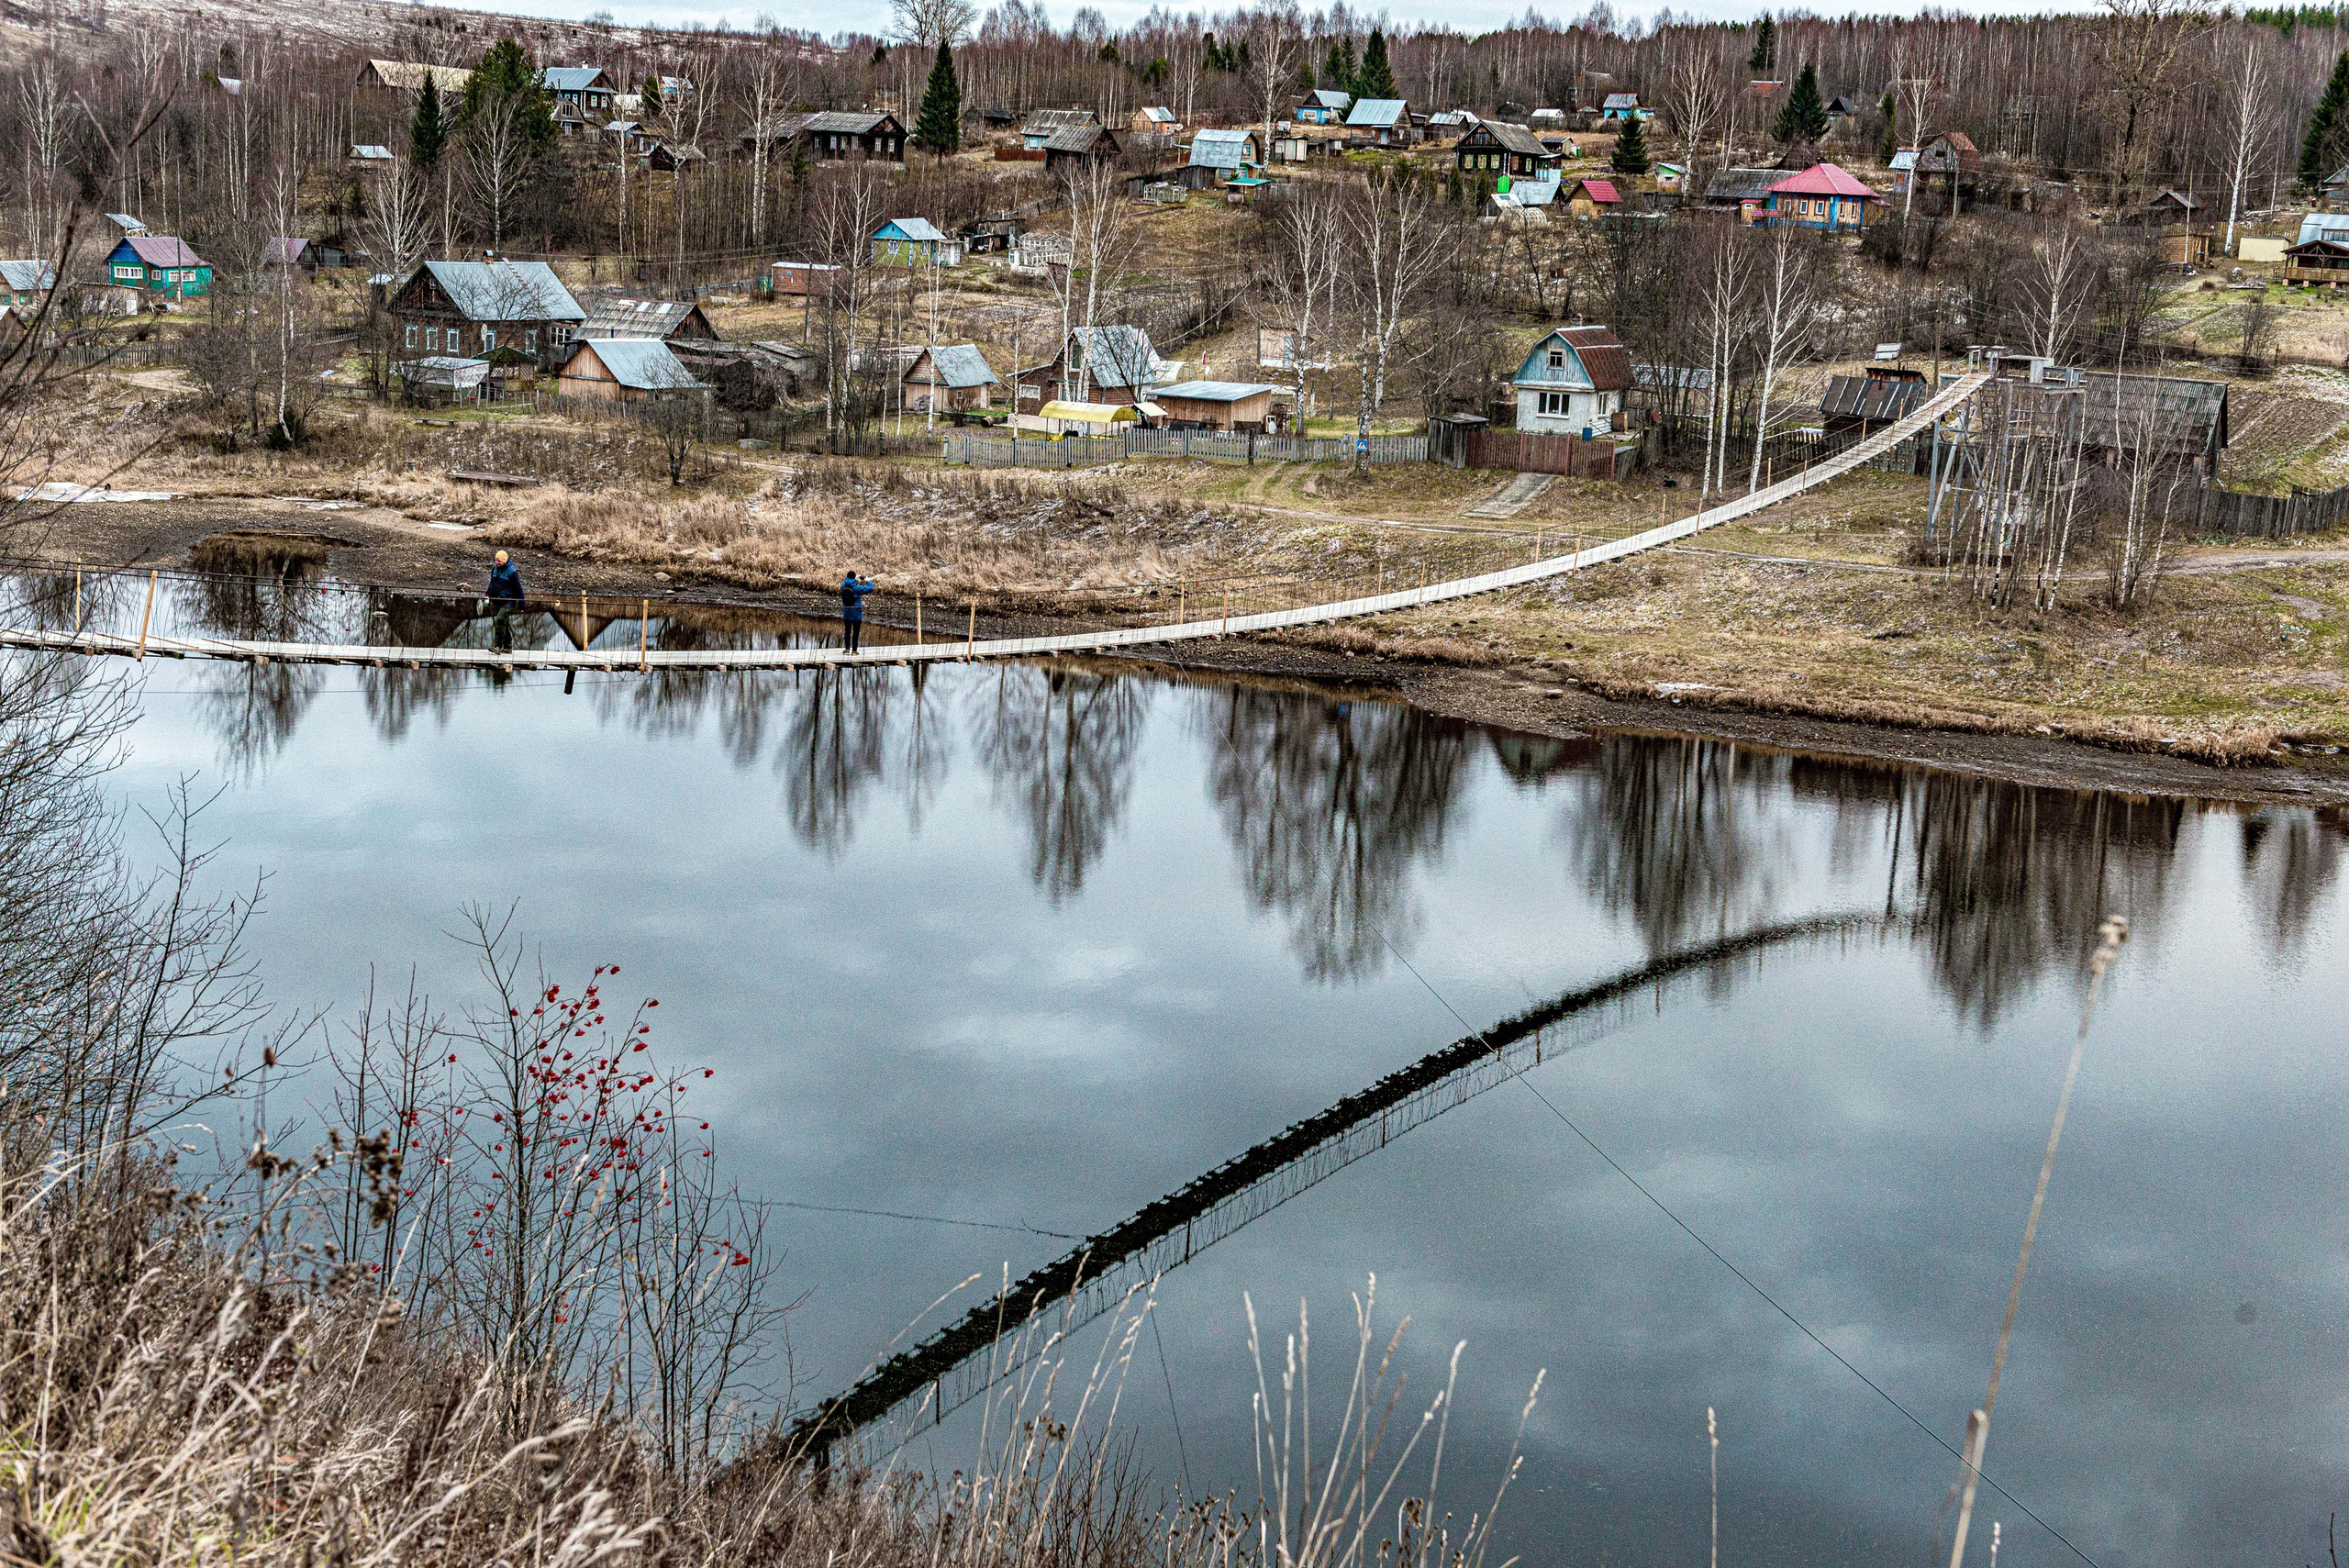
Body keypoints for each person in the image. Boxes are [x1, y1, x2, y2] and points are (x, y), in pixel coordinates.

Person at [486, 550, 524, 651]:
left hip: (509, 601)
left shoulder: (512, 572)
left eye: (499, 561)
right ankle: (507, 647)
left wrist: (522, 605)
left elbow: (518, 588)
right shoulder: (495, 569)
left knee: (499, 620)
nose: (497, 563)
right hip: (498, 600)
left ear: (504, 561)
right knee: (503, 622)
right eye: (496, 561)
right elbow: (492, 583)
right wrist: (489, 593)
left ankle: (498, 646)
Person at [838, 570, 874, 652]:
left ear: (847, 576)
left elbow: (849, 583)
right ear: (854, 577)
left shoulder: (843, 586)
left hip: (847, 613)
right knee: (856, 632)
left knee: (847, 631)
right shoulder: (857, 588)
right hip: (856, 613)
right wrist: (868, 580)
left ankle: (847, 649)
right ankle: (854, 650)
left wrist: (855, 579)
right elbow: (870, 588)